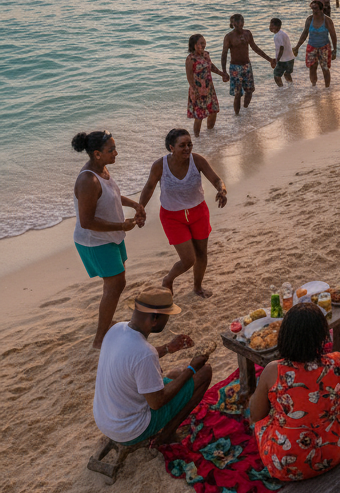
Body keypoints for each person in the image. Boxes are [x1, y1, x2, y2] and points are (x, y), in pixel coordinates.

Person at [93, 287, 213, 446]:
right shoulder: (145, 353)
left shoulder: (116, 329)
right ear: (155, 319)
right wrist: (191, 368)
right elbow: (157, 402)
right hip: (130, 431)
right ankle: (166, 436)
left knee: (176, 373)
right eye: (167, 317)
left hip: (105, 420)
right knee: (204, 372)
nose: (168, 320)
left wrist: (168, 348)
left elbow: (131, 359)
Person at [251, 303, 340, 481]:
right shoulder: (338, 361)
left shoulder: (273, 371)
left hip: (286, 465)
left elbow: (256, 414)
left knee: (262, 423)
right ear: (322, 337)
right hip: (336, 450)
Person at [72, 130, 144, 348]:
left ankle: (106, 323)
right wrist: (122, 225)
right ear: (96, 153)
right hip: (95, 241)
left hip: (111, 236)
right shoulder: (87, 180)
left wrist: (133, 204)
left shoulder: (102, 170)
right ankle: (100, 338)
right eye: (111, 150)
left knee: (114, 283)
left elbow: (110, 194)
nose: (116, 153)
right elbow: (87, 221)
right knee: (116, 284)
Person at [137, 128, 227, 298]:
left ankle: (198, 287)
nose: (187, 148)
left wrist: (221, 190)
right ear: (171, 147)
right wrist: (140, 208)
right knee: (188, 259)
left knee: (201, 254)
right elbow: (149, 187)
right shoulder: (160, 165)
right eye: (182, 145)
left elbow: (216, 179)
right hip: (172, 217)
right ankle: (168, 279)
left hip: (198, 212)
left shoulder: (197, 160)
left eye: (189, 144)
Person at [220, 14, 273, 115]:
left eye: (241, 22)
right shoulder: (229, 37)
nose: (239, 24)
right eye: (236, 23)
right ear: (232, 24)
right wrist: (224, 72)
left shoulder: (247, 33)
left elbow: (255, 48)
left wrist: (269, 59)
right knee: (237, 93)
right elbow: (224, 54)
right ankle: (237, 116)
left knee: (249, 90)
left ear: (243, 23)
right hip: (235, 67)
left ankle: (245, 110)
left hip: (247, 66)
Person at [185, 33, 227, 136]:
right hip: (197, 90)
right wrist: (194, 90)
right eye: (201, 43)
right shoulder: (190, 59)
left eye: (204, 42)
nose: (204, 44)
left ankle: (210, 136)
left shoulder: (206, 54)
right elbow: (189, 76)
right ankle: (197, 139)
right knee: (199, 116)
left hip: (209, 88)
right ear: (194, 45)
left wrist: (222, 73)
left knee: (213, 112)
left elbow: (211, 66)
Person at [294, 0, 338, 88]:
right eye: (312, 8)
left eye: (316, 8)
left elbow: (333, 35)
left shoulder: (327, 21)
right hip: (311, 47)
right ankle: (314, 87)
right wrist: (297, 47)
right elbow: (305, 33)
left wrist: (335, 49)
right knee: (312, 67)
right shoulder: (309, 19)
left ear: (321, 9)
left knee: (325, 68)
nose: (314, 11)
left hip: (324, 47)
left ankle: (327, 88)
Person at [268, 18, 294, 87]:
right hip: (290, 58)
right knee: (287, 74)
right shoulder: (282, 33)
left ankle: (281, 89)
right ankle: (291, 87)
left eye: (271, 26)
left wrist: (277, 60)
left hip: (283, 60)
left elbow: (281, 48)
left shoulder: (277, 36)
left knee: (276, 75)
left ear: (277, 27)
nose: (269, 27)